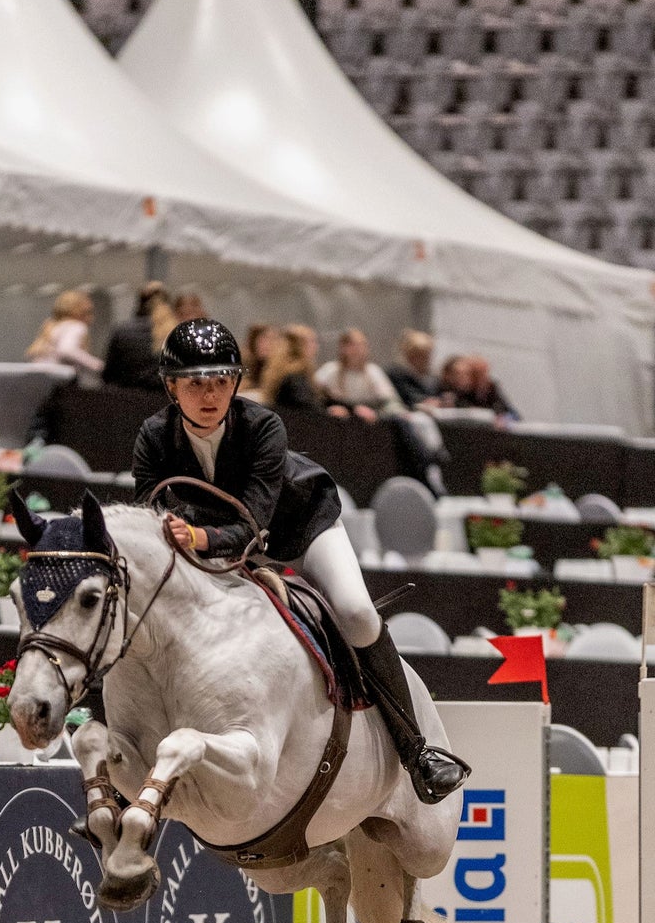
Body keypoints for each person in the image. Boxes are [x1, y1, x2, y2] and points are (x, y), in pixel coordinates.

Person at [131, 318, 468, 804]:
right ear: (171, 387)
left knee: (354, 611)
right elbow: (150, 517)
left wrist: (197, 535)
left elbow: (255, 525)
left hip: (300, 529)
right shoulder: (153, 437)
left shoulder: (264, 426)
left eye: (222, 382)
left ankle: (418, 751)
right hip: (214, 548)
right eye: (195, 383)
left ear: (237, 384)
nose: (210, 395)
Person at [317, 327, 448, 495]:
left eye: (362, 345)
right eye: (354, 345)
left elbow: (389, 401)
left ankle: (431, 461)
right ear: (344, 348)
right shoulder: (330, 370)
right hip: (342, 426)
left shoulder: (372, 372)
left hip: (374, 419)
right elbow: (318, 395)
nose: (359, 350)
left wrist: (392, 412)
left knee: (415, 421)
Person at [102, 281, 177, 391]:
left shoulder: (121, 331)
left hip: (127, 399)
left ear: (139, 303)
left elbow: (108, 375)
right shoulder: (176, 334)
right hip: (163, 401)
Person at [259, 324, 346, 414]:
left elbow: (323, 400)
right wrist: (329, 413)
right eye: (312, 342)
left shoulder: (284, 371)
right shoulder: (295, 376)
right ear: (299, 346)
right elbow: (305, 406)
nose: (316, 346)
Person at [25, 289, 103, 374]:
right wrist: (97, 365)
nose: (92, 318)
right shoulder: (77, 326)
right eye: (88, 312)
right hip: (57, 379)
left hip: (38, 377)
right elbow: (67, 349)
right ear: (78, 312)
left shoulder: (52, 326)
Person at [387, 330, 441, 409]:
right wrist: (424, 401)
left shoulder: (431, 376)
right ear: (410, 355)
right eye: (421, 355)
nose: (426, 360)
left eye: (427, 355)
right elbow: (406, 396)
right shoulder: (396, 373)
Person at [239, 323, 283, 402]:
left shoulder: (280, 367)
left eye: (273, 339)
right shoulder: (243, 364)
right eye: (263, 340)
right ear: (253, 342)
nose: (269, 344)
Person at [467, 355, 520, 420]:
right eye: (478, 373)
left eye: (485, 372)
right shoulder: (464, 391)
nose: (483, 377)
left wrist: (503, 418)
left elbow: (513, 413)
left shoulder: (492, 387)